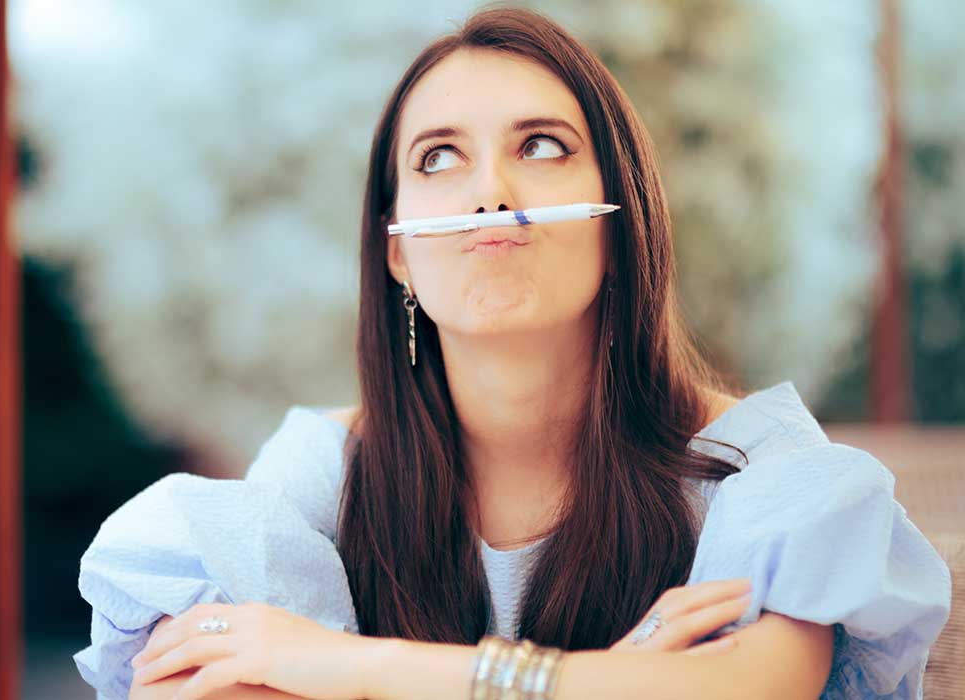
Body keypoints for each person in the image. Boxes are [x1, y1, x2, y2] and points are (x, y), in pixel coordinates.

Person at [74, 6, 951, 700]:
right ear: (398, 252)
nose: (491, 194)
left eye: (541, 146)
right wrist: (622, 677)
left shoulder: (756, 473)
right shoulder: (319, 475)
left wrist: (354, 670)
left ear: (621, 220)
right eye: (439, 157)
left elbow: (748, 691)